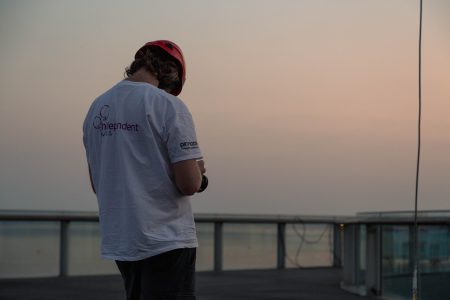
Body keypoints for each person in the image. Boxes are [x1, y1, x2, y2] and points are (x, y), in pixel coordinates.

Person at [83, 40, 207, 300]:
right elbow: (189, 184)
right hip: (167, 239)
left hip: (123, 240)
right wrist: (197, 170)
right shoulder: (168, 106)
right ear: (170, 73)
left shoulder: (96, 109)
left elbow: (98, 182)